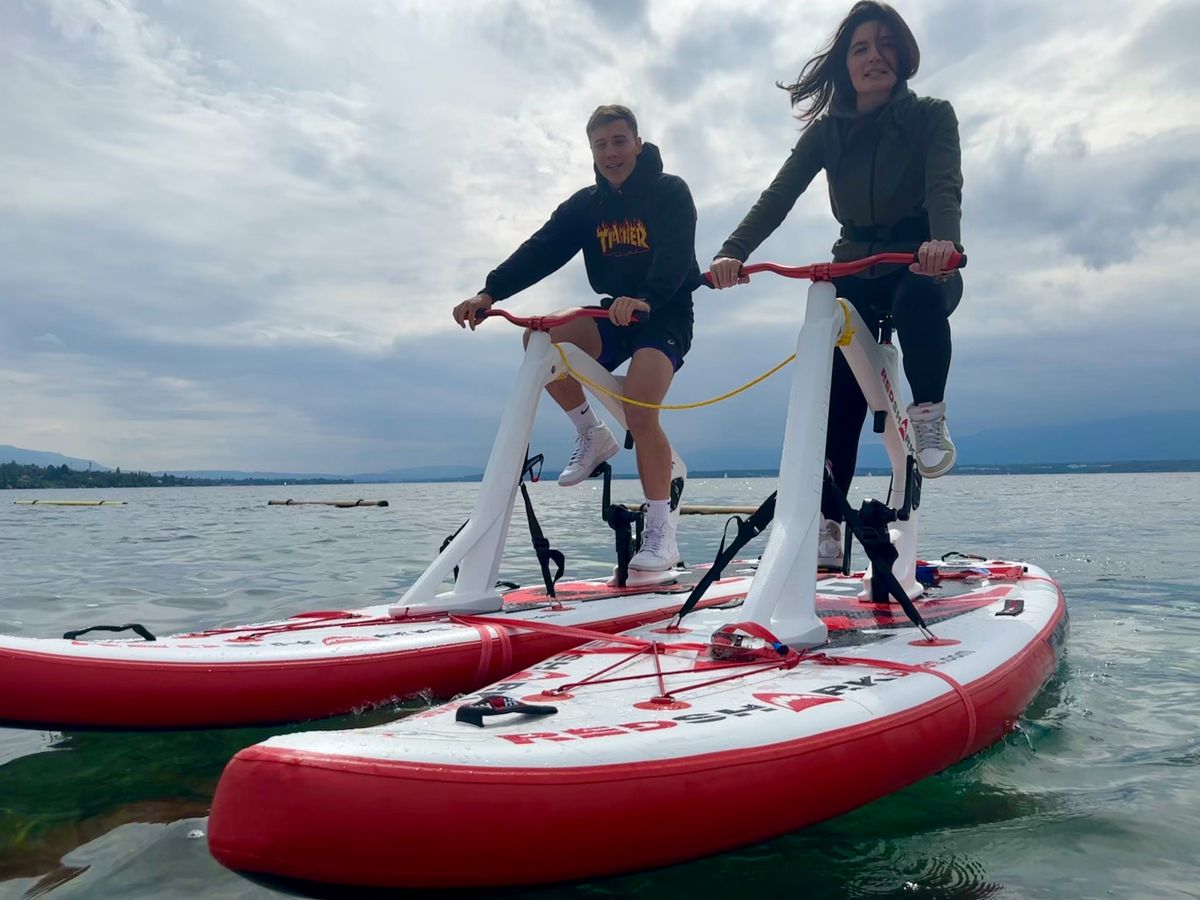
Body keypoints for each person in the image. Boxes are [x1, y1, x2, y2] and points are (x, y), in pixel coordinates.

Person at [708, 1, 964, 569]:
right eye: (861, 48)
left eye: (885, 45)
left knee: (919, 297)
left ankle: (928, 418)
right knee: (837, 359)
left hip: (921, 259)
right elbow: (778, 196)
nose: (875, 56)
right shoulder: (827, 135)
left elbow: (944, 186)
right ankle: (826, 518)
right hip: (855, 265)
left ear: (903, 54)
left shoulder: (931, 116)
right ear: (844, 64)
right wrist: (733, 251)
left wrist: (943, 244)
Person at [453, 105, 702, 572]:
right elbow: (540, 249)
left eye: (619, 141)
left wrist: (646, 297)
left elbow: (674, 256)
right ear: (592, 152)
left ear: (638, 144)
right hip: (612, 311)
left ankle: (660, 532)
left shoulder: (670, 192)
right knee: (541, 343)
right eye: (601, 145)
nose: (611, 152)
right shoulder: (586, 206)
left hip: (665, 310)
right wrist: (489, 291)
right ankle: (591, 433)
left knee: (641, 410)